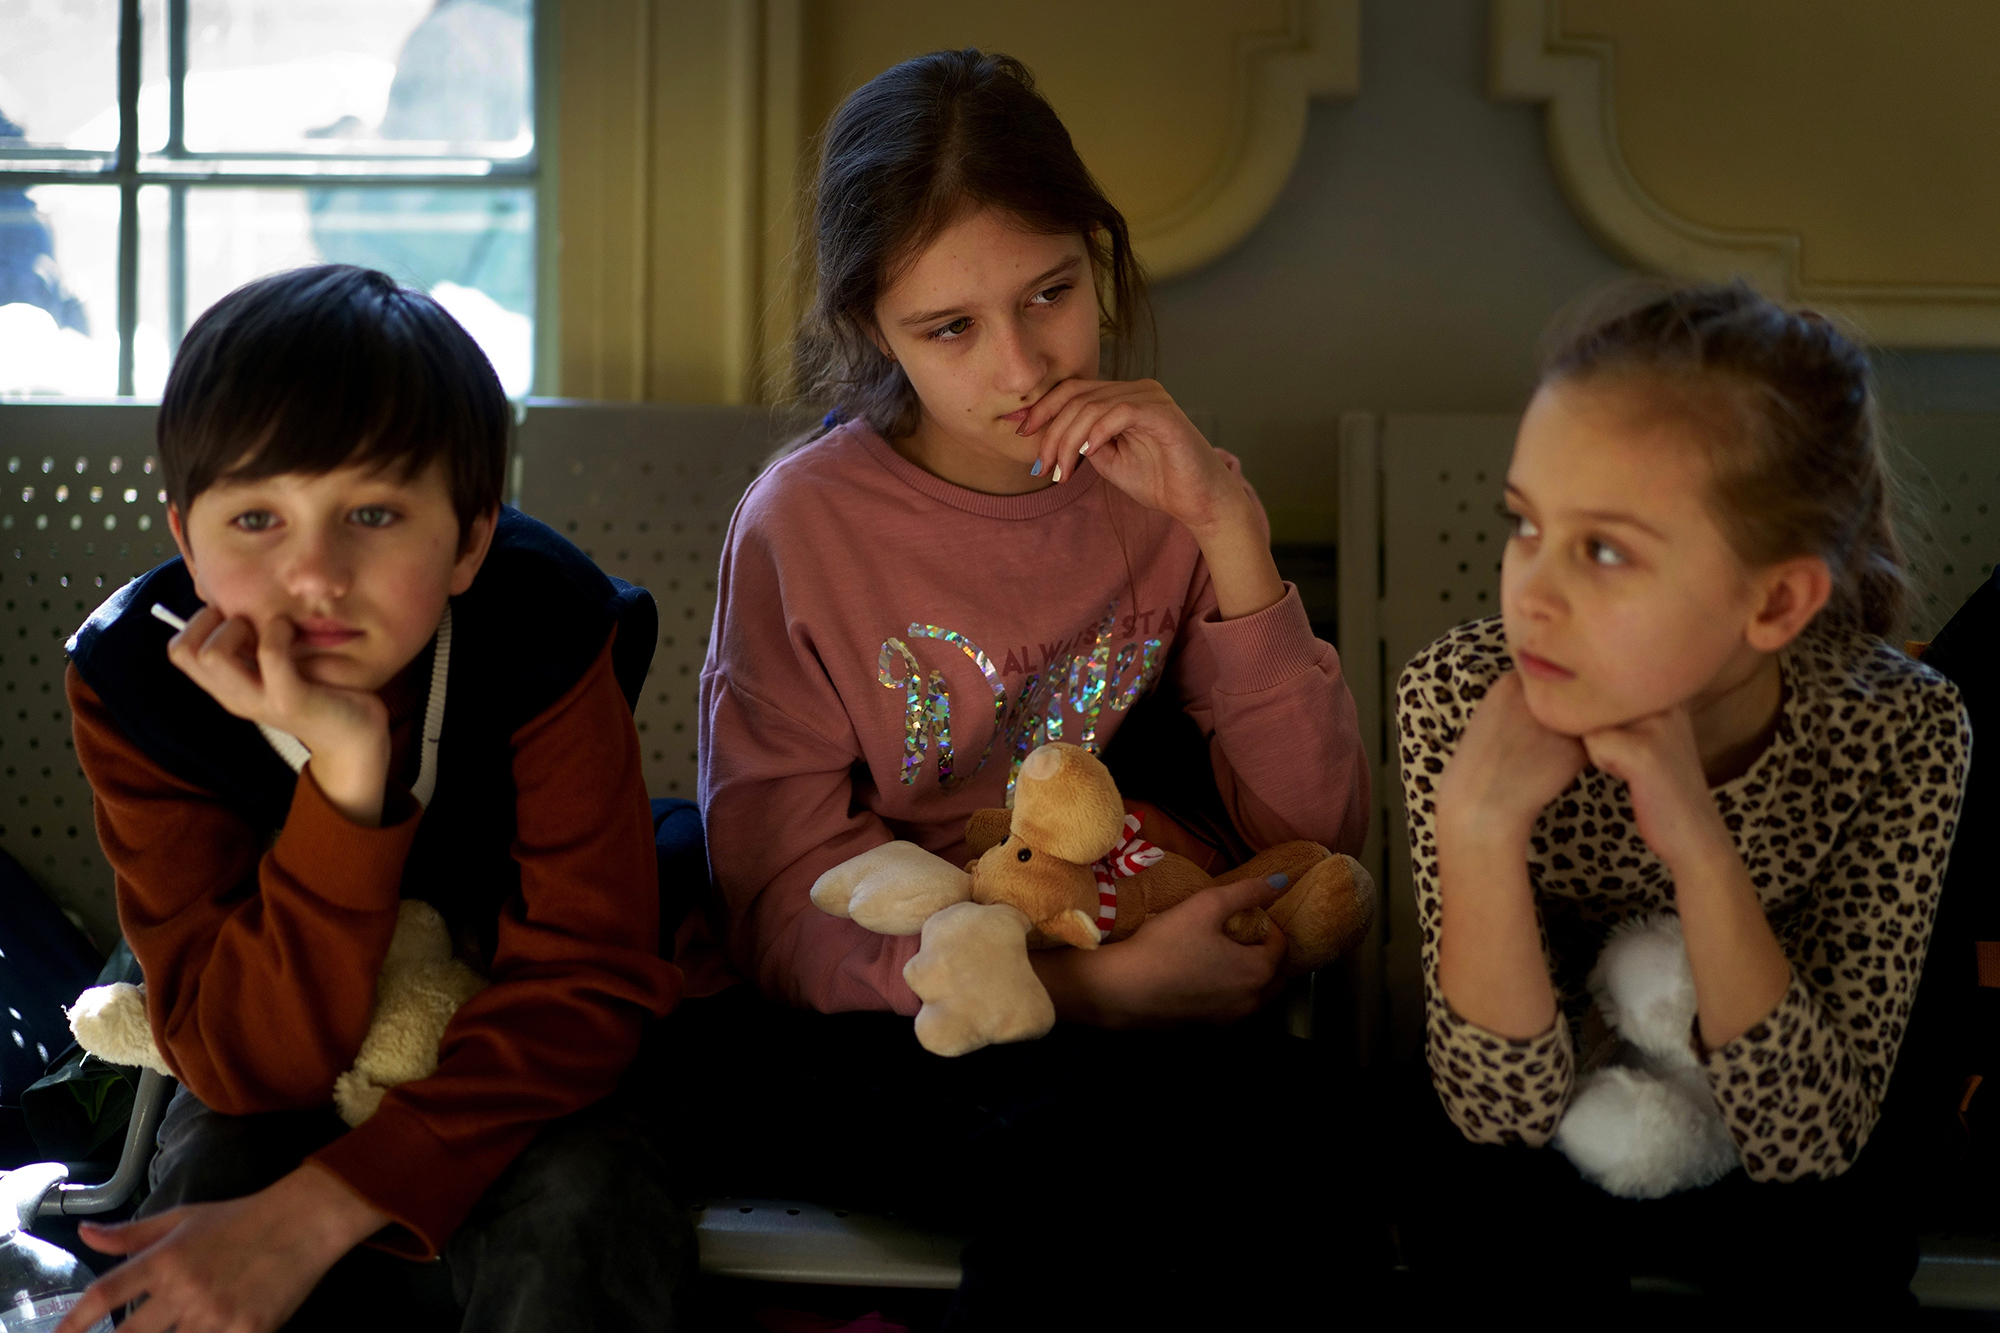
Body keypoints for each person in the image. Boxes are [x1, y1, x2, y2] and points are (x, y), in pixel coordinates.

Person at [671, 49, 1375, 1331]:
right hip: (888, 1022)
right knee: (1081, 1169)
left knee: (1324, 1157)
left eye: (1049, 295)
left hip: (1125, 957)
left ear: (1095, 257)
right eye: (948, 329)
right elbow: (776, 898)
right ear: (867, 331)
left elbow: (1315, 836)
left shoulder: (1160, 491)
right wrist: (1094, 994)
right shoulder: (801, 529)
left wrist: (1229, 532)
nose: (1019, 367)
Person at [56, 265, 688, 1333]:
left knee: (590, 1196)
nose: (316, 574)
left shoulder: (543, 628)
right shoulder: (134, 680)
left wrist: (324, 1210)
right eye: (256, 516)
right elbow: (243, 1063)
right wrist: (348, 782)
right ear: (184, 535)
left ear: (470, 538)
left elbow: (582, 991)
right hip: (264, 1035)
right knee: (214, 1174)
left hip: (508, 1043)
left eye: (375, 512)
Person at [1394, 280, 1971, 1314]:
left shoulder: (1900, 728)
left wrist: (1696, 843)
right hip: (1547, 1122)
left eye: (1604, 549)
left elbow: (1808, 1139)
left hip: (1785, 1124)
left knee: (1824, 1257)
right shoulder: (1459, 698)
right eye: (1523, 525)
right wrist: (1477, 827)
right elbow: (1495, 1116)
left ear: (1774, 600)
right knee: (1480, 1224)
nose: (1530, 592)